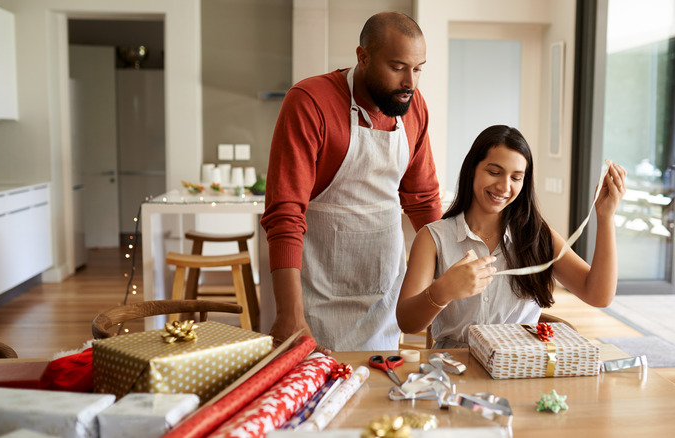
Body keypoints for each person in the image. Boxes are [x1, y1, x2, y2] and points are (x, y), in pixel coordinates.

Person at [260, 12, 442, 353]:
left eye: (418, 68)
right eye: (398, 66)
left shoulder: (414, 109)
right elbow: (285, 215)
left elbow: (423, 200)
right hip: (313, 295)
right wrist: (289, 313)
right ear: (363, 57)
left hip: (383, 290)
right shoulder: (310, 101)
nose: (410, 82)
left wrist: (449, 273)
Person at [396, 125, 626, 348]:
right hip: (454, 370)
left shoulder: (539, 237)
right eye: (494, 172)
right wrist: (442, 291)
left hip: (519, 370)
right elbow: (407, 323)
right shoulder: (432, 238)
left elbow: (599, 296)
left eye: (516, 177)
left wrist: (605, 217)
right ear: (472, 169)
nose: (504, 186)